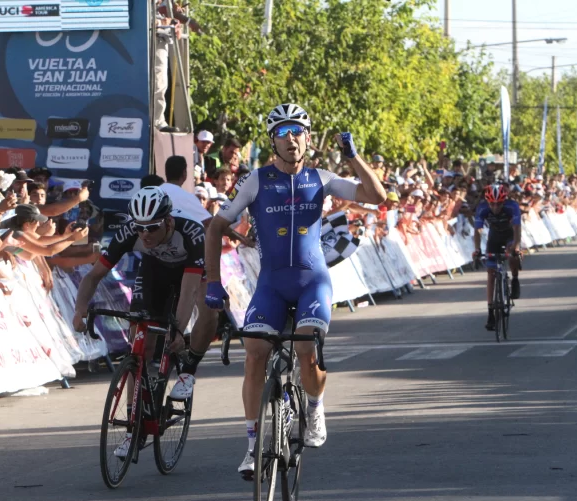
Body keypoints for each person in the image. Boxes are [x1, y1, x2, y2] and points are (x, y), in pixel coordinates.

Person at [203, 103, 386, 478]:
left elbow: (377, 196)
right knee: (253, 354)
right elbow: (214, 227)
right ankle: (253, 447)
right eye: (283, 133)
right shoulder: (255, 180)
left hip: (311, 281)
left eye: (297, 132)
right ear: (273, 140)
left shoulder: (321, 177)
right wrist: (212, 282)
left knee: (305, 349)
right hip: (271, 283)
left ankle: (316, 408)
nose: (291, 139)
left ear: (307, 138)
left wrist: (353, 157)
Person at [72, 187, 206, 455]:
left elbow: (189, 290)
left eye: (152, 227)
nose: (145, 234)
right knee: (140, 344)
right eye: (140, 228)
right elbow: (92, 276)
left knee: (208, 308)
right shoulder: (131, 233)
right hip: (154, 272)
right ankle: (135, 425)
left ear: (168, 221)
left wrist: (178, 331)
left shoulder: (191, 234)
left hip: (188, 274)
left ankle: (188, 368)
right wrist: (80, 310)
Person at [473, 184, 522, 331]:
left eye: (499, 204)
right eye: (492, 204)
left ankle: (514, 278)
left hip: (510, 236)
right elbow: (478, 231)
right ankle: (490, 313)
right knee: (491, 273)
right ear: (487, 202)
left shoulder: (512, 206)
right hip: (494, 237)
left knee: (512, 254)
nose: (495, 207)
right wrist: (477, 249)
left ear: (504, 201)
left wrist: (516, 247)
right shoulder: (482, 208)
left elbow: (517, 229)